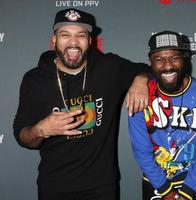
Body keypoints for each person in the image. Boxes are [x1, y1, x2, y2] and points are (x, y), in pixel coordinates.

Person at [13, 8, 150, 200]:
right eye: (65, 34)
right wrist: (41, 130)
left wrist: (141, 79)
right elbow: (22, 135)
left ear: (90, 41)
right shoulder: (35, 80)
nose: (73, 42)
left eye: (81, 35)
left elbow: (148, 69)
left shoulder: (109, 68)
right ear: (54, 40)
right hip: (54, 186)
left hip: (101, 186)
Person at [128, 31, 196, 200]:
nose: (168, 66)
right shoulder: (140, 95)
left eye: (174, 58)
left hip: (195, 179)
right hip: (156, 181)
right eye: (159, 59)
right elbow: (142, 151)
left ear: (184, 59)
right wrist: (166, 192)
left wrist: (187, 191)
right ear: (151, 63)